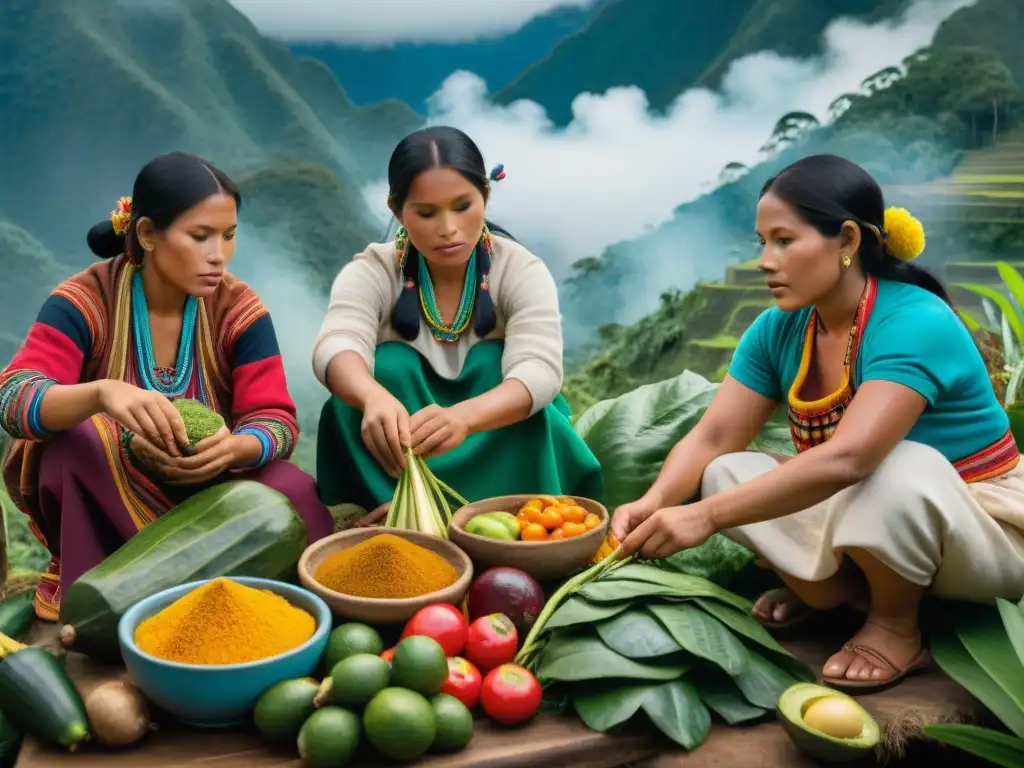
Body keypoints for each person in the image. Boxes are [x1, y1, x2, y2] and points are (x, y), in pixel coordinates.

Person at [611, 154, 1024, 692]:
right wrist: (655, 502)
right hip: (867, 514)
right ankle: (832, 593)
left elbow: (851, 458)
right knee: (727, 470)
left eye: (784, 240)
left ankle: (894, 625)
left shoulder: (913, 320)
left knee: (896, 464)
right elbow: (714, 437)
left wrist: (705, 519)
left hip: (982, 530)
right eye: (761, 242)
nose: (765, 260)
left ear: (847, 239)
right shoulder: (779, 329)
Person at [0, 151, 334, 621]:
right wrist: (100, 394)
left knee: (292, 490)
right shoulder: (82, 301)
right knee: (74, 442)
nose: (218, 254)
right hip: (110, 483)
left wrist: (236, 448)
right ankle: (99, 595)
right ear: (147, 234)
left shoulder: (240, 311)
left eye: (228, 236)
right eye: (199, 237)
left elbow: (276, 421)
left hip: (212, 492)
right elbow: (14, 398)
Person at [313, 126, 602, 513]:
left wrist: (464, 418)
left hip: (497, 437)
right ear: (396, 209)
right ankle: (393, 508)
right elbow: (338, 343)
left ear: (486, 195)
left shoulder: (520, 270)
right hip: (399, 458)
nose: (447, 228)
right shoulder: (373, 271)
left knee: (493, 368)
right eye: (426, 213)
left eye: (463, 206)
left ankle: (516, 512)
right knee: (385, 371)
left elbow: (539, 371)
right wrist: (372, 397)